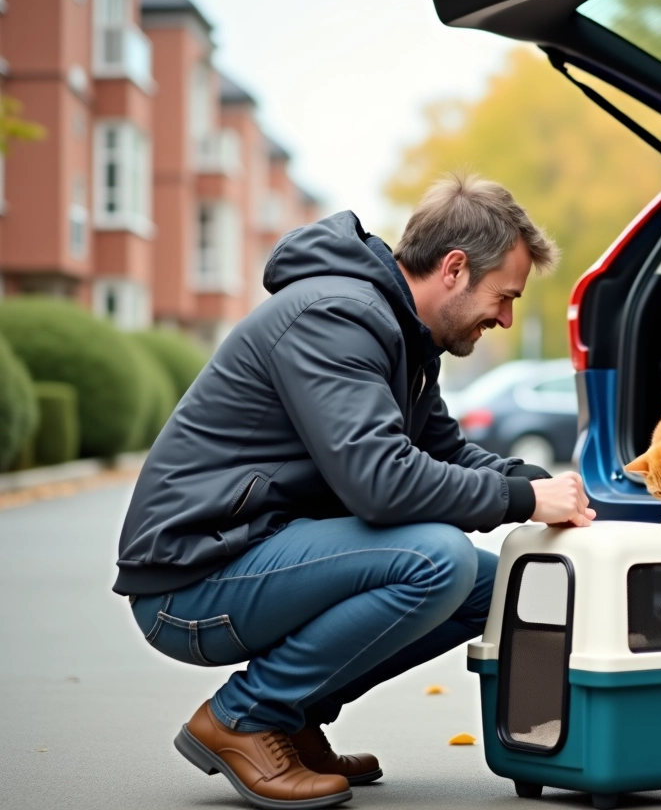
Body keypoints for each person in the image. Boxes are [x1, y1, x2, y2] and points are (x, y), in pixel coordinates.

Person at [113, 173, 596, 809]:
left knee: (492, 589)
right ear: (454, 268)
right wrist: (525, 505)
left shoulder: (403, 337)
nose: (505, 318)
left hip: (261, 553)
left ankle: (291, 717)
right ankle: (243, 718)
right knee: (436, 558)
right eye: (503, 297)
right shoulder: (337, 316)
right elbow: (382, 483)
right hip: (190, 580)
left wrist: (536, 484)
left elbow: (443, 452)